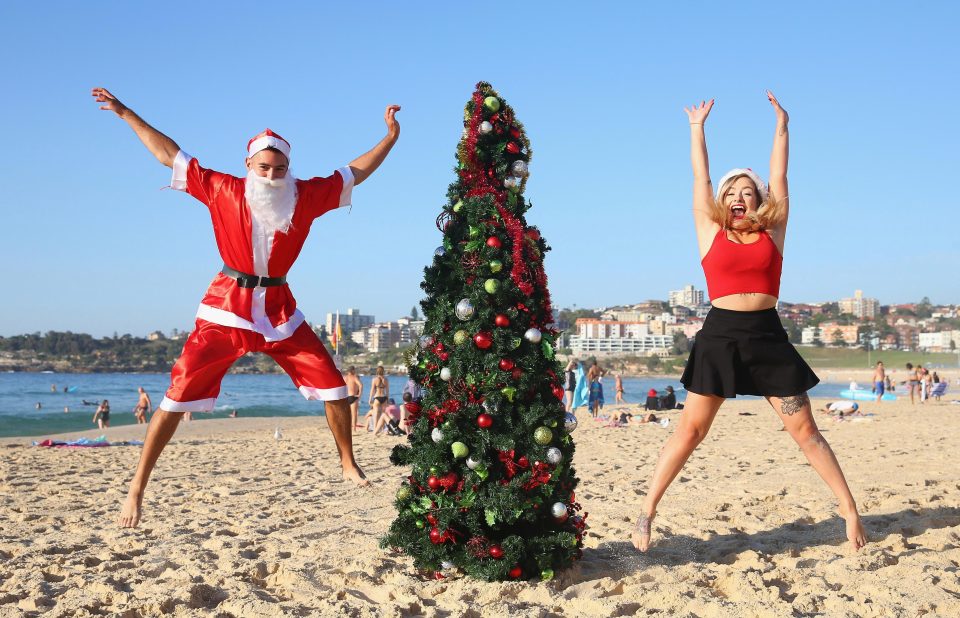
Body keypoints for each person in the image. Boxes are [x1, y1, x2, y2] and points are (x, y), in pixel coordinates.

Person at [92, 87, 399, 527]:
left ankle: (348, 462)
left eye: (279, 168)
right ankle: (137, 487)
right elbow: (167, 153)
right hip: (226, 308)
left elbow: (355, 171)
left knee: (334, 387)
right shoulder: (221, 187)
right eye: (264, 167)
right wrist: (125, 113)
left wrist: (388, 137)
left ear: (288, 168)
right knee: (176, 396)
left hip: (278, 311)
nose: (272, 175)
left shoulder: (306, 195)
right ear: (249, 166)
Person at [632, 93, 866, 554]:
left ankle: (850, 511)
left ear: (758, 200)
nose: (740, 197)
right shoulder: (709, 229)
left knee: (806, 432)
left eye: (748, 192)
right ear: (723, 201)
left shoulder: (772, 231)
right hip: (720, 335)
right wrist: (697, 129)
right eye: (732, 192)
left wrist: (782, 126)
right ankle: (647, 512)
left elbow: (780, 177)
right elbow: (699, 176)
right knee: (691, 431)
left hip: (768, 337)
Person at [365, 366, 389, 431]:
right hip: (384, 397)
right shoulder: (386, 379)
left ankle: (375, 429)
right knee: (383, 414)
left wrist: (369, 399)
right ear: (383, 371)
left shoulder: (374, 379)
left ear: (377, 371)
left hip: (377, 397)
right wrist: (387, 399)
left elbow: (372, 390)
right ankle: (383, 428)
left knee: (376, 415)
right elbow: (387, 391)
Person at [343, 366, 364, 432]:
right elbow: (361, 385)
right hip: (353, 396)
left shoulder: (344, 378)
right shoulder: (354, 377)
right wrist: (359, 395)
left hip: (345, 397)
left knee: (346, 414)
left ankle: (346, 427)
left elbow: (340, 386)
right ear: (353, 371)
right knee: (354, 414)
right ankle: (354, 428)